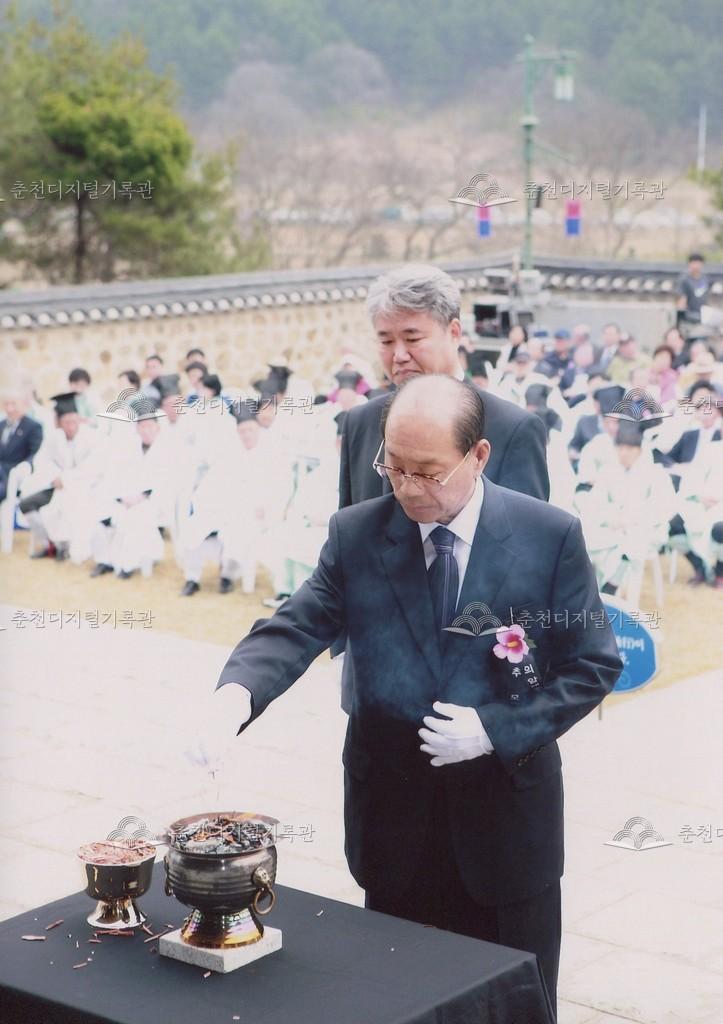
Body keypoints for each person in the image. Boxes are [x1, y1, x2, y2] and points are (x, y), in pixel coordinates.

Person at [199, 375, 622, 1021]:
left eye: (427, 472)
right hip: (395, 820)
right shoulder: (359, 532)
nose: (407, 489)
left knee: (512, 1006)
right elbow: (299, 623)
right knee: (397, 1001)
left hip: (506, 828)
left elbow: (592, 664)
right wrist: (236, 693)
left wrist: (496, 729)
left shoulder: (548, 534)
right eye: (393, 468)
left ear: (477, 456)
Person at [339, 264, 550, 508]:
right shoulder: (360, 423)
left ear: (454, 332)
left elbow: (525, 528)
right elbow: (350, 524)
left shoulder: (513, 429)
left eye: (413, 339)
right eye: (386, 341)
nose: (399, 355)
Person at [580, 420, 677, 594]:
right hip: (612, 526)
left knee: (631, 542)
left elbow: (664, 508)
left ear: (639, 450)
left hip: (645, 529)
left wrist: (633, 520)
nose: (623, 453)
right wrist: (610, 519)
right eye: (620, 448)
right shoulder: (608, 472)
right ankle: (596, 587)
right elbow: (594, 504)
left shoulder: (656, 473)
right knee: (587, 537)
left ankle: (611, 586)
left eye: (629, 449)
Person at [18, 392, 105, 562]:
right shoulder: (54, 437)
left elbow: (93, 466)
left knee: (70, 508)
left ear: (79, 419)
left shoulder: (92, 437)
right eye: (67, 422)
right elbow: (42, 460)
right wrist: (54, 476)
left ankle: (69, 547)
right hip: (59, 487)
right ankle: (52, 545)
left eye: (74, 421)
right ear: (59, 422)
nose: (71, 426)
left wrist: (66, 478)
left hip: (86, 489)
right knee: (27, 505)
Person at [0, 390, 43, 504]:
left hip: (14, 475)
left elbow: (35, 454)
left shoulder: (33, 427)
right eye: (6, 404)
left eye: (13, 404)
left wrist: (23, 468)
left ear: (23, 404)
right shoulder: (2, 425)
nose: (10, 409)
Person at [677, 253, 710, 323]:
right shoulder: (685, 279)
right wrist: (680, 317)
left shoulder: (704, 278)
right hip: (690, 314)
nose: (696, 266)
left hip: (703, 313)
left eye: (698, 263)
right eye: (694, 263)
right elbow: (682, 299)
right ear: (689, 264)